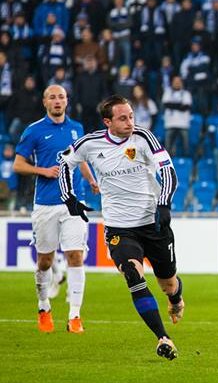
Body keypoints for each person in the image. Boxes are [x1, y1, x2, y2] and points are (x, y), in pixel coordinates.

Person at [58, 95, 184, 360]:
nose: (130, 122)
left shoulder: (144, 138)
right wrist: (68, 197)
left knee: (167, 283)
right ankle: (163, 338)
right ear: (108, 122)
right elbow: (64, 164)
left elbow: (170, 172)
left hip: (153, 223)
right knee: (133, 275)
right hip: (119, 228)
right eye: (123, 118)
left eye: (131, 116)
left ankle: (175, 300)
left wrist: (164, 205)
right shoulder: (89, 144)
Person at [13, 85, 97, 333]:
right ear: (45, 102)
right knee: (45, 262)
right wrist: (43, 171)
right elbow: (18, 164)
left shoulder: (77, 128)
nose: (57, 101)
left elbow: (79, 159)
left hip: (73, 203)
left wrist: (91, 179)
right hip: (46, 204)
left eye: (61, 97)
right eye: (53, 97)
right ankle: (43, 306)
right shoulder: (34, 131)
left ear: (67, 101)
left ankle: (75, 316)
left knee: (75, 255)